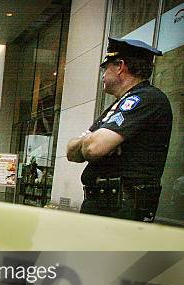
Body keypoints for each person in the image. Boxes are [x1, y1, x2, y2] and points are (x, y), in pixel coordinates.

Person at [66, 37, 172, 222]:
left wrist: (92, 141)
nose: (103, 75)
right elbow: (71, 152)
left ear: (120, 66)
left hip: (121, 207)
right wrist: (93, 140)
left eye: (105, 68)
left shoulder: (145, 99)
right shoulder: (120, 104)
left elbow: (93, 149)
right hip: (106, 204)